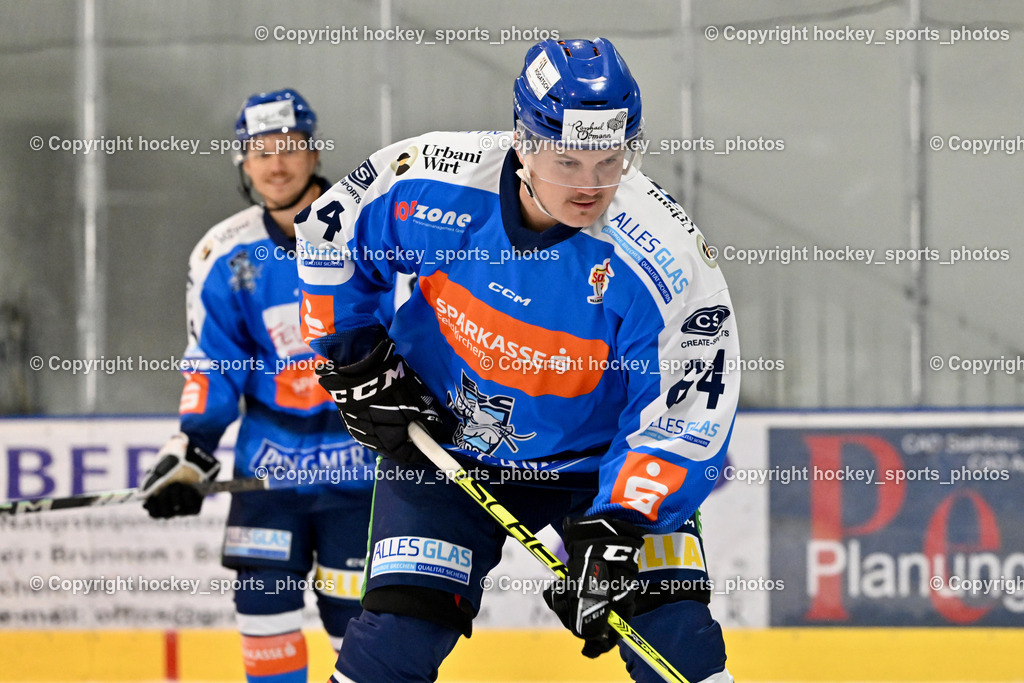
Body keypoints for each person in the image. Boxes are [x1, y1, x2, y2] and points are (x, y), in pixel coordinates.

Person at [298, 38, 739, 683]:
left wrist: (622, 520)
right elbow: (330, 234)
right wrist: (352, 357)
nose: (591, 185)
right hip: (443, 449)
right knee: (394, 641)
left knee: (679, 646)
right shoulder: (432, 178)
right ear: (522, 141)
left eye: (611, 161)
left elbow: (688, 403)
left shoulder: (662, 253)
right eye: (569, 160)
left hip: (596, 473)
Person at [140, 89, 380, 683]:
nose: (276, 163)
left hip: (364, 475)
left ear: (314, 151)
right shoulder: (222, 252)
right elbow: (213, 359)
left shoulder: (367, 229)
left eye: (290, 146)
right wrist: (192, 449)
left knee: (362, 635)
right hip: (269, 473)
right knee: (264, 621)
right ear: (243, 163)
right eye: (260, 150)